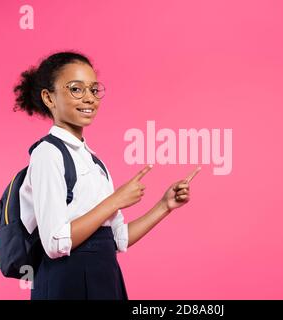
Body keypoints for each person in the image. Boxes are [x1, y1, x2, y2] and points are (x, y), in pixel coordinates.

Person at [13, 51, 200, 300]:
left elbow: (117, 239)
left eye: (93, 89)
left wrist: (164, 206)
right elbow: (55, 243)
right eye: (76, 89)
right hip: (67, 283)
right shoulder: (47, 154)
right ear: (49, 97)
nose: (89, 98)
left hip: (104, 276)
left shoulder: (94, 161)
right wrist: (115, 200)